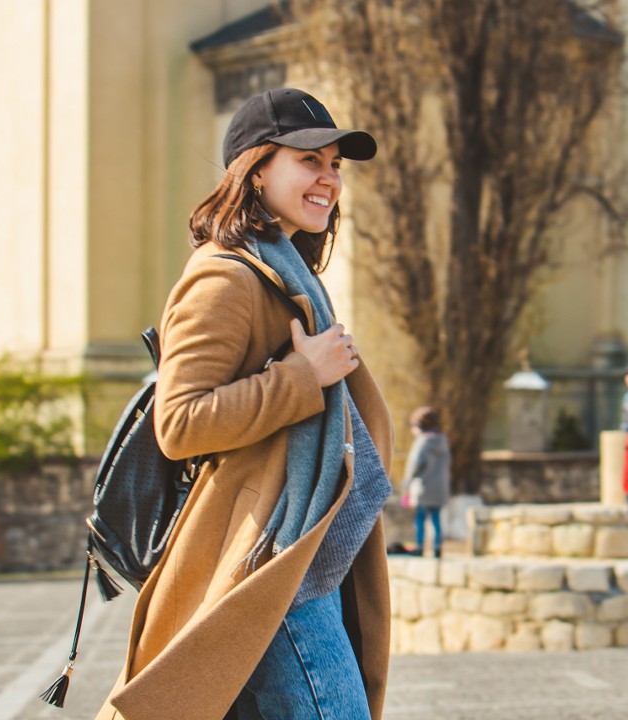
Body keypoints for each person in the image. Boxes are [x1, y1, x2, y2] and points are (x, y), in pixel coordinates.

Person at [96, 88, 393, 720]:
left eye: (335, 165)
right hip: (266, 562)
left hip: (298, 552)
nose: (329, 179)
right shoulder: (224, 276)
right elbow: (178, 424)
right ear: (256, 169)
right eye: (309, 160)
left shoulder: (288, 276)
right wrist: (300, 378)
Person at [402, 406, 451, 558]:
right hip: (439, 488)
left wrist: (407, 482)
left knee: (420, 518)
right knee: (436, 518)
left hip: (423, 488)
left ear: (419, 426)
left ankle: (420, 546)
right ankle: (437, 547)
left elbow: (414, 464)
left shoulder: (422, 442)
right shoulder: (443, 442)